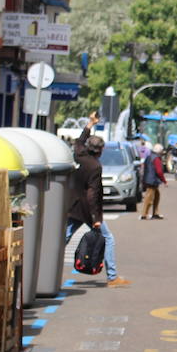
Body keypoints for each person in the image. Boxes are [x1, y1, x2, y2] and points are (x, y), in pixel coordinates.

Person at [66, 112, 130, 287]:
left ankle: (45, 267)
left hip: (73, 205)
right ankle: (112, 277)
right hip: (87, 210)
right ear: (101, 150)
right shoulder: (95, 166)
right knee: (108, 238)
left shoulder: (79, 155)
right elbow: (92, 194)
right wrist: (96, 219)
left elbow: (79, 142)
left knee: (63, 238)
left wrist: (90, 124)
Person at [140, 142, 168, 220]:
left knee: (156, 196)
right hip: (152, 181)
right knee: (149, 198)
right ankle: (144, 214)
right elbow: (159, 171)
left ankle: (155, 213)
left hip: (148, 179)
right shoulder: (156, 158)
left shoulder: (149, 157)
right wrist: (164, 181)